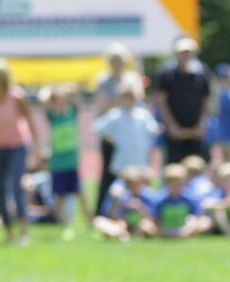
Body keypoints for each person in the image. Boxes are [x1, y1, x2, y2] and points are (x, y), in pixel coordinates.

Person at [0, 59, 41, 244]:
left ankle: (23, 231)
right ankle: (8, 231)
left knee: (16, 185)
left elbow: (29, 121)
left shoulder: (17, 97)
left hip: (17, 146)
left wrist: (36, 148)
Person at [93, 81, 160, 214]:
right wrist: (110, 138)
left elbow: (154, 130)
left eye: (131, 97)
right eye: (126, 97)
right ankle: (113, 215)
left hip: (139, 161)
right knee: (120, 193)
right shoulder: (115, 115)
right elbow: (97, 128)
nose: (129, 101)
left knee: (141, 193)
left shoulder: (143, 115)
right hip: (122, 163)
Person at [94, 43, 143, 217]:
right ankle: (103, 211)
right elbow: (103, 105)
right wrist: (121, 101)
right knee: (109, 174)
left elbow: (137, 101)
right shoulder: (103, 80)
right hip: (111, 135)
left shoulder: (132, 78)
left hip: (130, 136)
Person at [41, 84, 90, 240]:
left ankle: (90, 223)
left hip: (72, 163)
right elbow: (43, 101)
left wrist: (69, 90)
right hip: (58, 164)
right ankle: (66, 225)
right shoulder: (53, 118)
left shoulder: (72, 114)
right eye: (58, 99)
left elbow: (77, 99)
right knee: (60, 197)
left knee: (81, 193)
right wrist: (52, 91)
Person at [155, 37, 212, 164]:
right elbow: (161, 101)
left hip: (196, 130)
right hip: (174, 132)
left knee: (199, 165)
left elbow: (206, 100)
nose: (185, 55)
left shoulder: (202, 72)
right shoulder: (166, 74)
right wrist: (171, 125)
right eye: (182, 52)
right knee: (174, 166)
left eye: (188, 52)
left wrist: (201, 123)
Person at [92, 166, 159, 240]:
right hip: (124, 224)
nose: (134, 187)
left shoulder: (148, 195)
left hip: (140, 224)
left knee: (146, 225)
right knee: (98, 221)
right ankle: (122, 234)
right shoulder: (123, 196)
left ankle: (123, 235)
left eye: (137, 184)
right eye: (131, 184)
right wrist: (119, 203)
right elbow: (114, 217)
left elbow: (152, 218)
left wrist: (140, 209)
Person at [150, 163, 211, 237]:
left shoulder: (190, 197)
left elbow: (195, 217)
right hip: (165, 228)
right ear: (167, 183)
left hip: (185, 228)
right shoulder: (160, 198)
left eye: (178, 182)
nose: (175, 185)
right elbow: (156, 219)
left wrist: (187, 230)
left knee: (205, 222)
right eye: (172, 182)